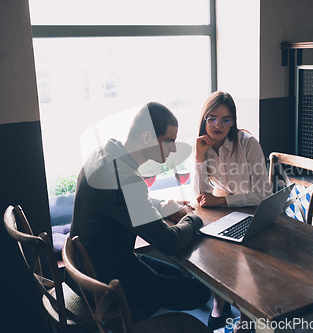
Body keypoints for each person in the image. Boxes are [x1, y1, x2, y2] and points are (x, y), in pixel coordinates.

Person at [68, 102, 211, 319]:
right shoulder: (126, 180)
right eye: (170, 140)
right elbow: (168, 243)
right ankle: (137, 321)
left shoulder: (101, 153)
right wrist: (195, 219)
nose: (174, 148)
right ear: (146, 138)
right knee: (199, 292)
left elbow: (120, 201)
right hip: (104, 284)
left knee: (174, 273)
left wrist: (161, 206)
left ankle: (142, 309)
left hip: (87, 267)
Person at [193, 91, 271, 332]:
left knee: (249, 254)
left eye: (226, 119)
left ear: (233, 122)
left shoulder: (248, 143)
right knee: (210, 248)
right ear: (204, 119)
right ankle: (220, 301)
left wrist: (222, 202)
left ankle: (248, 314)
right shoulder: (203, 145)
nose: (219, 125)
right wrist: (198, 157)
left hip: (255, 211)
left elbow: (263, 195)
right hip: (224, 211)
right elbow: (199, 196)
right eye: (212, 118)